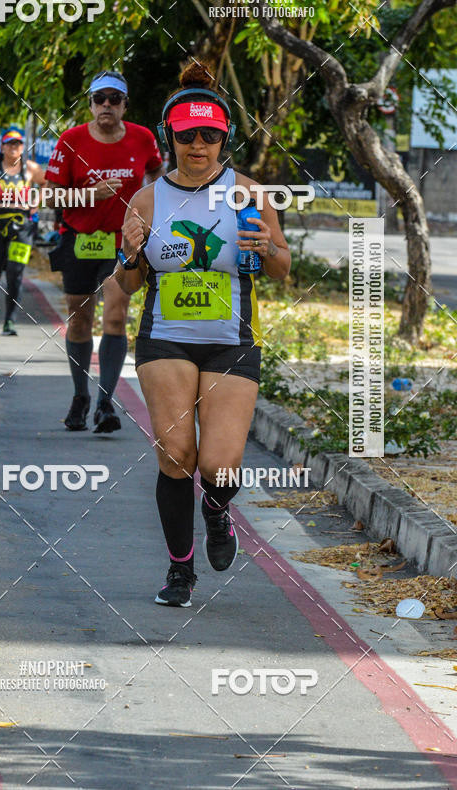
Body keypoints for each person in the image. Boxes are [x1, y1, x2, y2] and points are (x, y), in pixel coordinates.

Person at [115, 61, 291, 607]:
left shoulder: (250, 194)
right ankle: (180, 571)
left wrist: (268, 250)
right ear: (170, 137)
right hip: (164, 337)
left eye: (209, 136)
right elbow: (126, 281)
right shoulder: (146, 200)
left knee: (218, 465)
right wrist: (130, 253)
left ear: (223, 139)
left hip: (231, 341)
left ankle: (218, 511)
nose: (198, 146)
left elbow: (283, 266)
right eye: (187, 135)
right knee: (175, 453)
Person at [45, 70, 164, 433]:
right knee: (79, 321)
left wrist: (149, 219)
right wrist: (89, 194)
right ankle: (81, 394)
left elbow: (160, 180)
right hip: (79, 239)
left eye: (115, 99)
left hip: (123, 241)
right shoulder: (71, 139)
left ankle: (105, 403)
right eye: (100, 99)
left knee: (115, 317)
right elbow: (49, 196)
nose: (107, 106)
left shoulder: (143, 139)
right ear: (91, 104)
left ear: (125, 104)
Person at [0, 129, 47, 336]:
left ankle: (10, 322)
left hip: (22, 227)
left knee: (15, 274)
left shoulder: (29, 168)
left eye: (18, 144)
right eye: (10, 144)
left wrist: (36, 203)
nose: (14, 147)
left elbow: (46, 181)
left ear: (23, 147)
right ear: (2, 147)